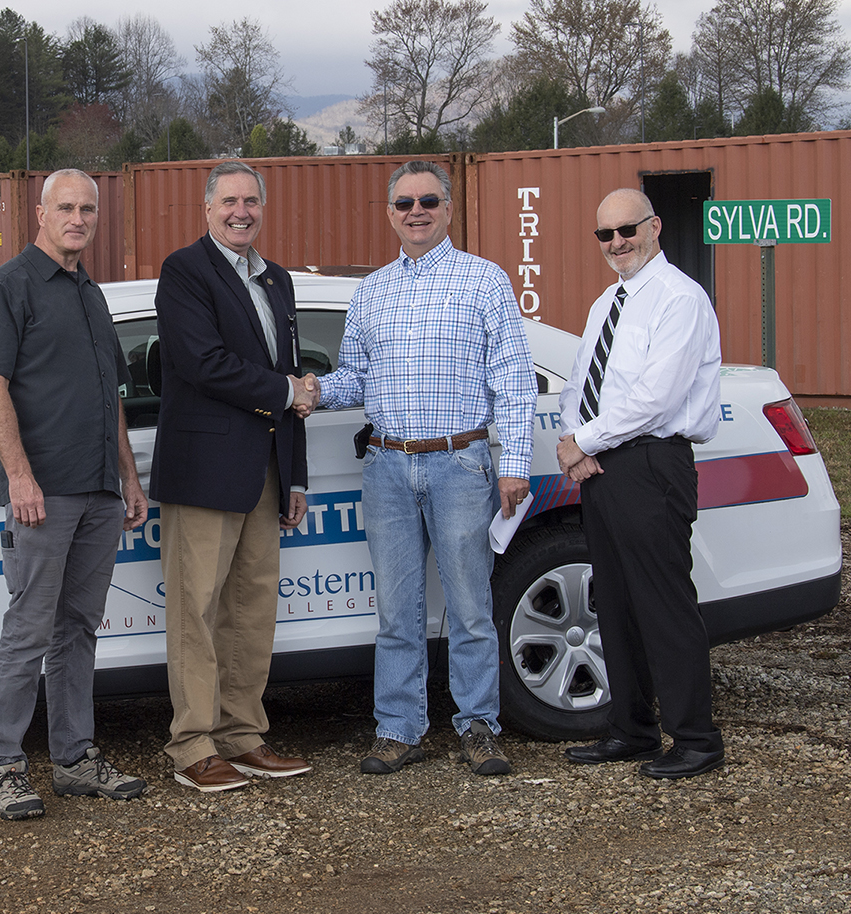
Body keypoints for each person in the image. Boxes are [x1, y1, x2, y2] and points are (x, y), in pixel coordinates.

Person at [317, 160, 536, 777]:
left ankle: (479, 726)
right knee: (396, 611)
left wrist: (514, 464)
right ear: (390, 213)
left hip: (460, 463)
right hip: (387, 466)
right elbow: (355, 378)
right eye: (405, 203)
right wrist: (308, 389)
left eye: (429, 201)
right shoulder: (371, 291)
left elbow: (514, 380)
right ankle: (399, 729)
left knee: (470, 607)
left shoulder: (484, 280)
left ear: (448, 209)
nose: (417, 212)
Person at [0, 169, 150, 820]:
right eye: (66, 207)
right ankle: (4, 769)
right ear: (41, 214)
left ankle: (74, 760)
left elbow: (112, 396)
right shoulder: (7, 287)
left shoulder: (90, 293)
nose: (78, 218)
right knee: (28, 631)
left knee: (77, 630)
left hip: (98, 492)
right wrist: (19, 476)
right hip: (43, 495)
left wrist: (128, 477)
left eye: (88, 209)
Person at [151, 161, 315, 792]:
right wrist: (287, 391)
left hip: (265, 471)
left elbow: (291, 371)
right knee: (195, 610)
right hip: (203, 470)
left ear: (262, 208)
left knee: (251, 608)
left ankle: (243, 734)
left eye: (251, 201)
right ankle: (193, 744)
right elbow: (203, 363)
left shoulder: (277, 279)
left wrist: (295, 476)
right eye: (229, 201)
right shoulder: (184, 271)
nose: (240, 211)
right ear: (207, 208)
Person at [558, 189, 725, 780]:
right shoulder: (607, 301)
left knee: (663, 605)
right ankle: (631, 730)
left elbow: (657, 398)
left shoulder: (680, 298)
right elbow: (580, 382)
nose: (616, 243)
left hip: (652, 463)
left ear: (654, 227)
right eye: (604, 234)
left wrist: (586, 441)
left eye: (627, 230)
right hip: (605, 465)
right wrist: (573, 440)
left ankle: (697, 740)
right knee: (617, 604)